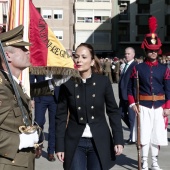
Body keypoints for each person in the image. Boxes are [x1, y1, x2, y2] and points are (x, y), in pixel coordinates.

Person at [55, 43, 124, 170]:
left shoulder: (103, 82)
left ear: (92, 61)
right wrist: (59, 145)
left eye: (83, 57)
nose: (79, 60)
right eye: (76, 56)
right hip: (75, 140)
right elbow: (61, 116)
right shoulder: (67, 83)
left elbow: (113, 111)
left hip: (99, 140)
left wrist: (118, 138)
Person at [0, 25, 53, 170]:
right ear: (8, 55)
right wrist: (19, 141)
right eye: (22, 49)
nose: (27, 52)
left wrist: (53, 84)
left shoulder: (12, 83)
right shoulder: (2, 88)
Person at [128, 16, 170, 170]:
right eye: (150, 51)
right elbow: (130, 88)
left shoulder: (164, 69)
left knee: (156, 136)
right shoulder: (137, 68)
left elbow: (168, 89)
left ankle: (155, 162)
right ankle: (144, 161)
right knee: (144, 136)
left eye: (155, 51)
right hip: (143, 106)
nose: (153, 53)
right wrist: (133, 103)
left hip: (159, 106)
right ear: (145, 50)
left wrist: (167, 106)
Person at [30, 75, 60, 162]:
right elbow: (31, 78)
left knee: (53, 125)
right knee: (38, 122)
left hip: (55, 97)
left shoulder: (56, 62)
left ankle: (51, 151)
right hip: (40, 96)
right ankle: (38, 146)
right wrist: (32, 97)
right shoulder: (40, 62)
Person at [119, 47, 138, 145]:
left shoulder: (135, 66)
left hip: (130, 96)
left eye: (128, 54)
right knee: (121, 114)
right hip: (123, 96)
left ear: (133, 55)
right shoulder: (125, 65)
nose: (126, 55)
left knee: (131, 117)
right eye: (125, 54)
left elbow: (134, 83)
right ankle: (134, 132)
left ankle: (133, 138)